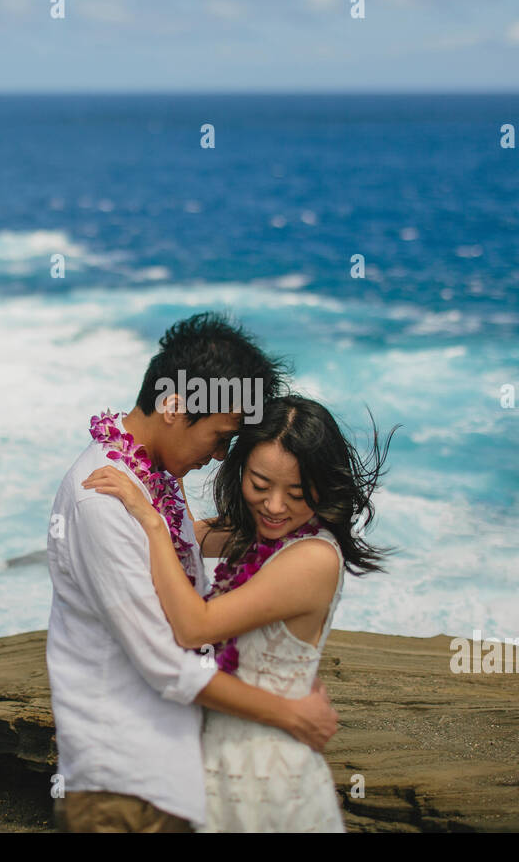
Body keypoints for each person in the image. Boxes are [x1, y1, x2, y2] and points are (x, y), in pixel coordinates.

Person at [46, 313, 340, 833]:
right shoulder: (104, 498)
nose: (218, 455)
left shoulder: (153, 482)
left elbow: (207, 549)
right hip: (125, 783)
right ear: (174, 406)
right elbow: (167, 661)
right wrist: (289, 713)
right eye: (221, 435)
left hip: (175, 773)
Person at [83, 394, 396, 832]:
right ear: (238, 470)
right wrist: (161, 457)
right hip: (210, 755)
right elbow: (189, 536)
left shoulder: (313, 558)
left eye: (298, 492)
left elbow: (195, 628)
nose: (274, 506)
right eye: (260, 484)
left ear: (323, 487)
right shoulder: (253, 533)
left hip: (264, 771)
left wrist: (152, 524)